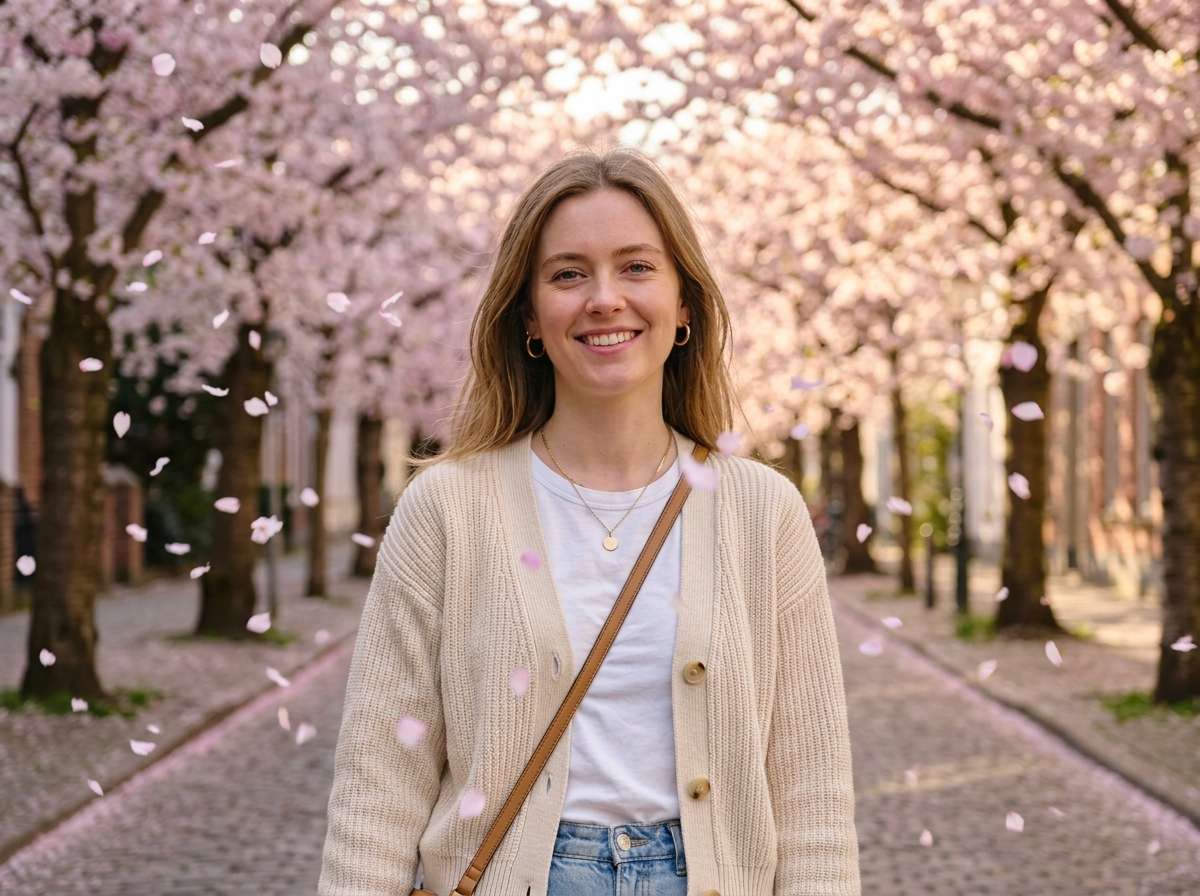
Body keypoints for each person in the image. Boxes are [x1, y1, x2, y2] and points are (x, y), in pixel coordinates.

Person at [317, 146, 861, 896]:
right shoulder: (447, 509)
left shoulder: (764, 513)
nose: (604, 299)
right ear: (532, 320)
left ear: (685, 310)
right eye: (568, 274)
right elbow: (381, 780)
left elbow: (813, 792)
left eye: (637, 268)